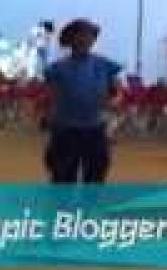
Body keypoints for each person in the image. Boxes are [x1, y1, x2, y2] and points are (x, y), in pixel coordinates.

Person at [42, 18, 123, 184]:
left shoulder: (104, 65)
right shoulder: (56, 68)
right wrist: (48, 117)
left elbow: (117, 91)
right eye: (82, 35)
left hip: (95, 130)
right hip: (65, 130)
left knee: (95, 177)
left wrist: (114, 101)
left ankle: (90, 209)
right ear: (70, 39)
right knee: (62, 179)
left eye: (91, 36)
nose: (87, 39)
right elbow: (50, 96)